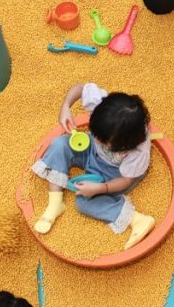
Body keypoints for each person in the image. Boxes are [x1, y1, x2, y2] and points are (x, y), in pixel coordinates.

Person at [31, 82, 154, 249]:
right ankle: (55, 203)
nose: (96, 139)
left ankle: (137, 219)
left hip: (115, 172)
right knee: (60, 144)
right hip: (90, 151)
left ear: (125, 145)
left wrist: (100, 188)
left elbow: (125, 180)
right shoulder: (103, 107)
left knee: (84, 202)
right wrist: (65, 107)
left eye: (103, 141)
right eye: (94, 132)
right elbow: (79, 88)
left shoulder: (138, 152)